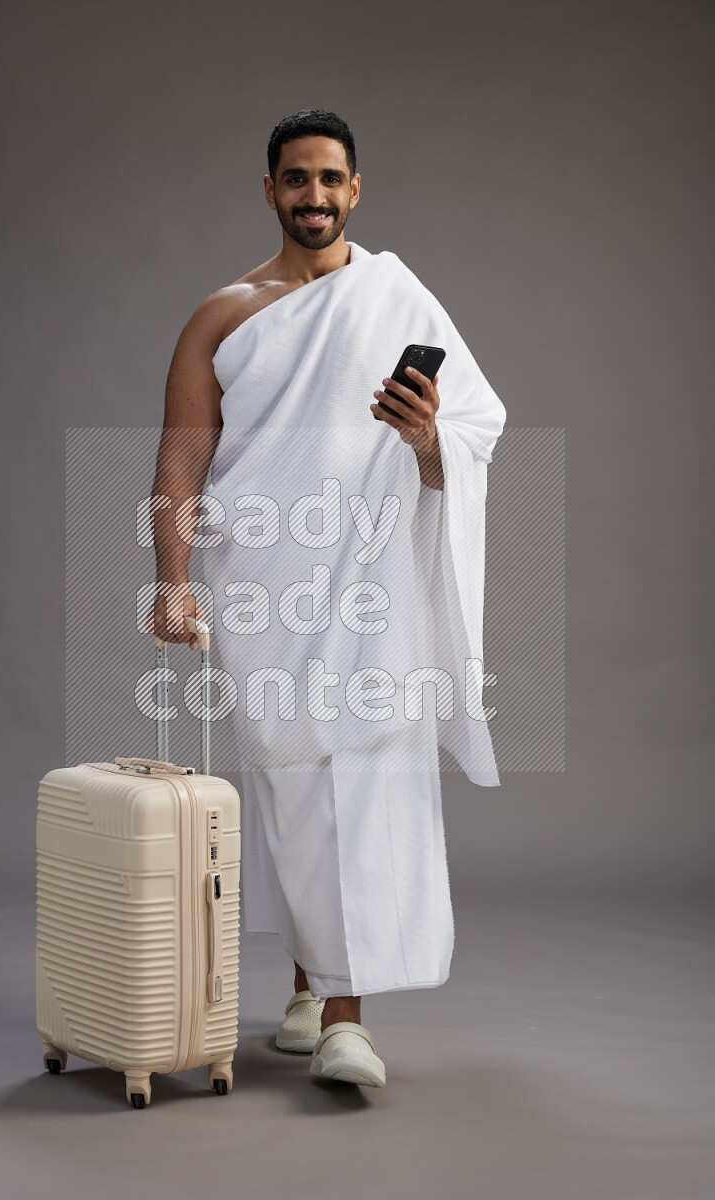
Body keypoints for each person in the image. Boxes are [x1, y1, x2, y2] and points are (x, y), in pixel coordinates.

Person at [146, 110, 506, 1089]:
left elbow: (473, 430)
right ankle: (309, 987)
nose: (314, 195)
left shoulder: (397, 297)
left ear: (355, 189)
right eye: (296, 178)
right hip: (263, 583)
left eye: (330, 179)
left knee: (366, 779)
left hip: (373, 582)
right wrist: (172, 583)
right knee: (292, 785)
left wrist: (426, 437)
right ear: (269, 189)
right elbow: (181, 459)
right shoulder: (222, 314)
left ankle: (346, 1017)